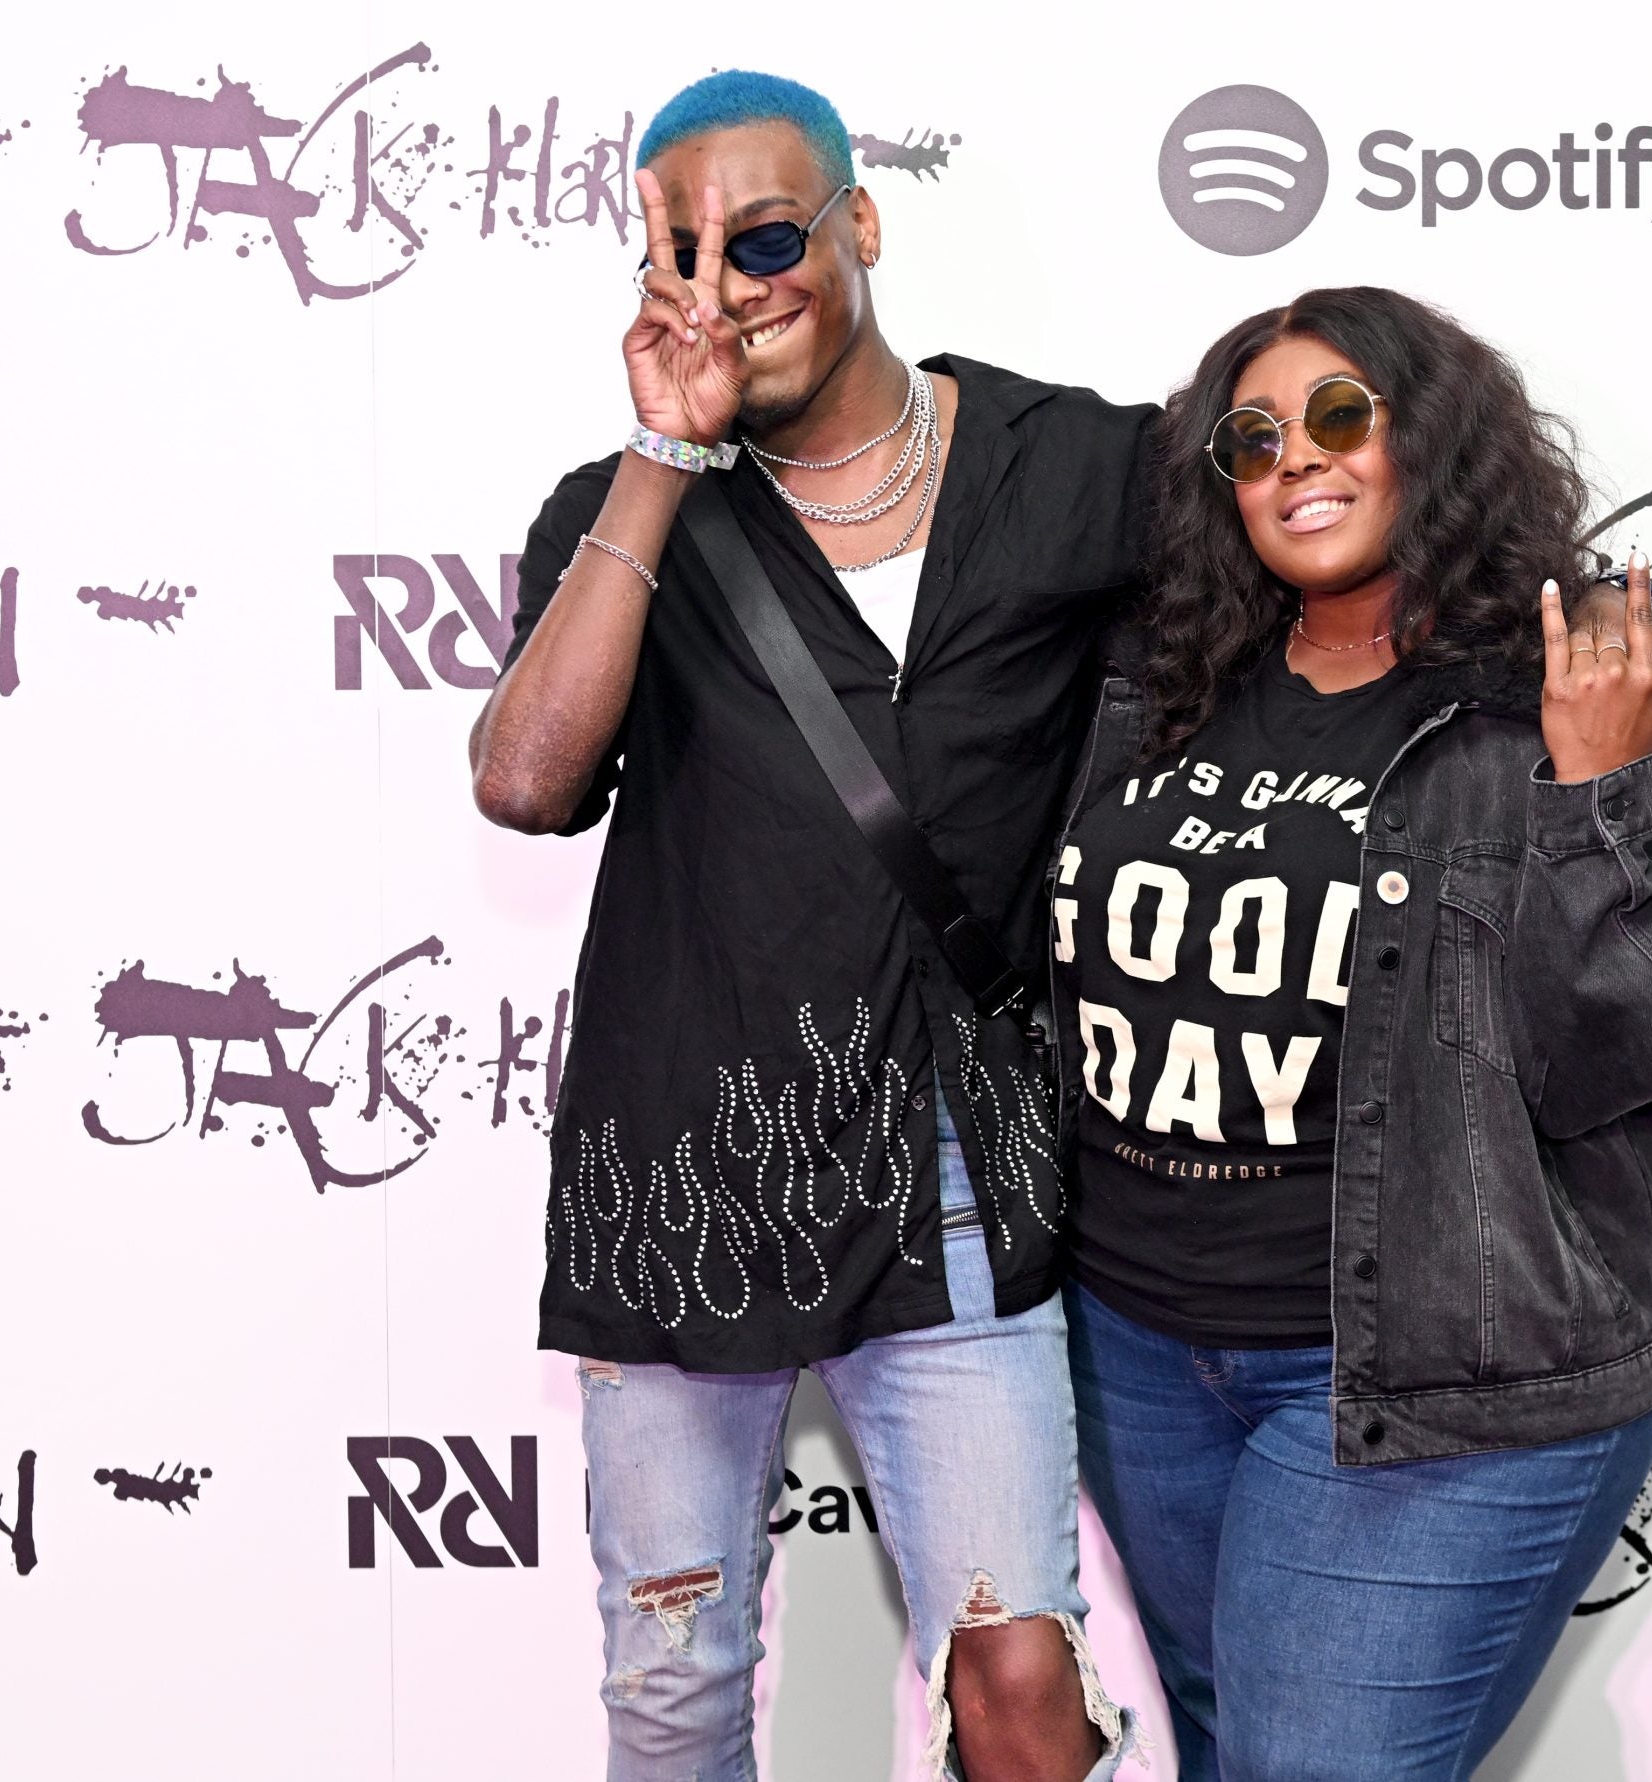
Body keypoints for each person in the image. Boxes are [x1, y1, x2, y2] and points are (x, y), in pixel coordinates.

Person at [467, 69, 1147, 1782]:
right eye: (679, 254)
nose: (728, 287)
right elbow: (526, 783)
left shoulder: (1070, 469)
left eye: (765, 237)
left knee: (1020, 1678)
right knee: (673, 1685)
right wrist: (662, 457)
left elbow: (1313, 580)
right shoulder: (618, 513)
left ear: (862, 224)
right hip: (686, 1170)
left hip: (956, 1166)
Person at [1050, 286, 1652, 1781]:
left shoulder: (1549, 704)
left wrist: (1593, 799)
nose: (1297, 460)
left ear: (1427, 438)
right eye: (1253, 439)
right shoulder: (1148, 688)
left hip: (1435, 1372)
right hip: (1136, 1350)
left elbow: (1624, 1056)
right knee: (1230, 1738)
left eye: (1340, 416)